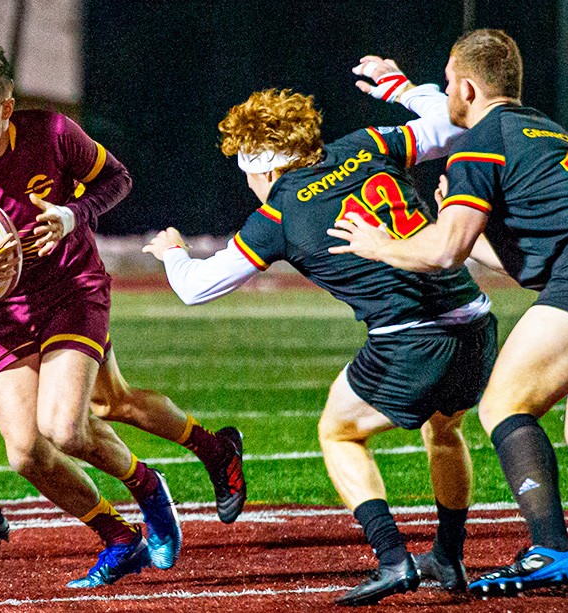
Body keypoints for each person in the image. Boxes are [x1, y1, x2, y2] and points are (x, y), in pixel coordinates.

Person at [143, 62, 498, 606]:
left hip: (411, 338)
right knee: (442, 429)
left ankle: (393, 559)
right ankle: (448, 556)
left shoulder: (280, 210)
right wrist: (403, 91)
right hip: (474, 319)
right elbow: (456, 125)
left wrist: (172, 253)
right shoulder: (367, 142)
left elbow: (195, 288)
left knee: (338, 431)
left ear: (259, 167)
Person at [328, 29, 568, 597]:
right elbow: (521, 257)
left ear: (464, 86)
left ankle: (551, 549)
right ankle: (550, 545)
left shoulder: (479, 143)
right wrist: (452, 226)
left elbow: (443, 252)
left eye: (447, 83)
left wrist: (381, 243)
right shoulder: (547, 131)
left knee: (506, 404)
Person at [0, 38, 193, 588]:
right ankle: (119, 538)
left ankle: (149, 490)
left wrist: (72, 213)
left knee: (63, 428)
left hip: (71, 290)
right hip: (5, 310)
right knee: (25, 455)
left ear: (6, 108)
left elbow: (118, 180)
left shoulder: (54, 133)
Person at [0, 290, 246, 558]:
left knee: (110, 402)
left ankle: (216, 451)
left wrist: (65, 222)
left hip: (55, 291)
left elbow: (83, 213)